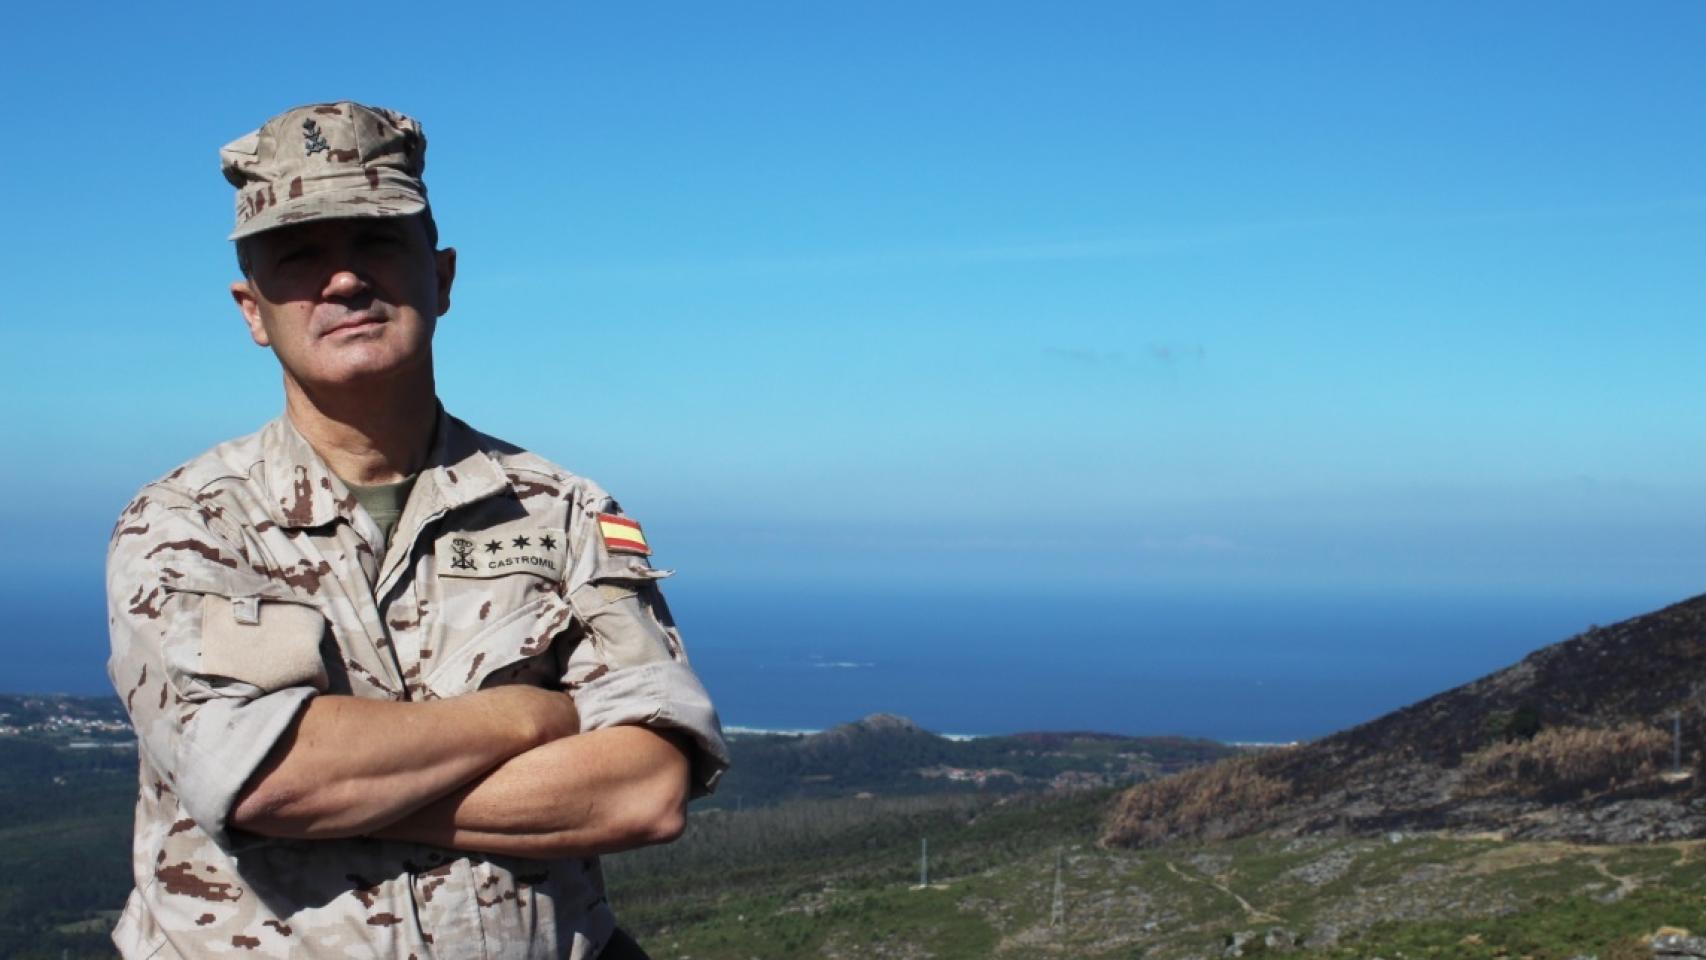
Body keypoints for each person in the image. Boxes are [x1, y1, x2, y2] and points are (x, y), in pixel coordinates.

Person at [104, 101, 728, 960]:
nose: (344, 282)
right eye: (299, 257)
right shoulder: (187, 523)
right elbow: (267, 779)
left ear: (442, 277)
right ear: (252, 311)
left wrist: (346, 794)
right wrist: (529, 714)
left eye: (377, 242)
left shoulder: (563, 510)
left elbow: (645, 788)